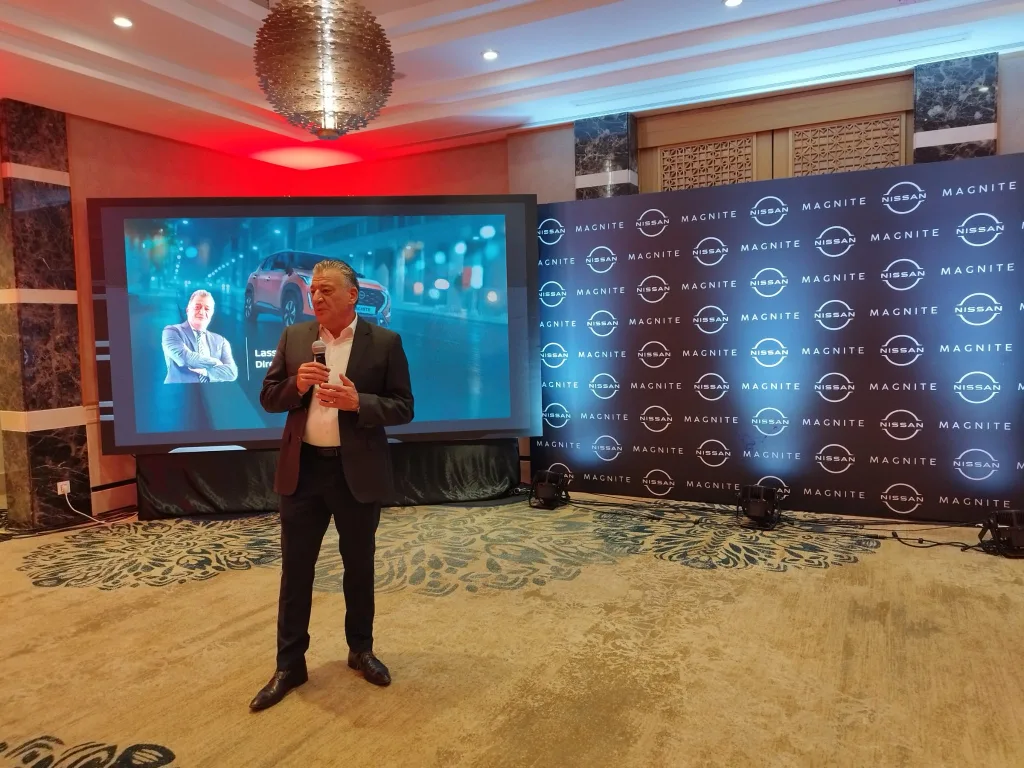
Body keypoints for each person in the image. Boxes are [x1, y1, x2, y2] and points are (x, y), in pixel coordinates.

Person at [250, 258, 414, 712]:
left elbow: (404, 407)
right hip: (302, 472)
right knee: (295, 571)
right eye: (313, 290)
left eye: (326, 290)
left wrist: (360, 402)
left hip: (355, 473)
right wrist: (295, 386)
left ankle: (360, 650)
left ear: (352, 295)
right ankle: (289, 665)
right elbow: (269, 397)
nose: (316, 296)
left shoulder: (385, 342)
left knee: (358, 567)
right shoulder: (294, 337)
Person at [161, 289, 238, 383]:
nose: (201, 312)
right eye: (197, 307)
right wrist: (216, 362)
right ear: (188, 310)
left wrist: (206, 372)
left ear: (212, 313)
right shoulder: (172, 331)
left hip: (213, 390)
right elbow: (185, 358)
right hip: (177, 390)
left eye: (207, 309)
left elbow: (232, 373)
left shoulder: (221, 341)